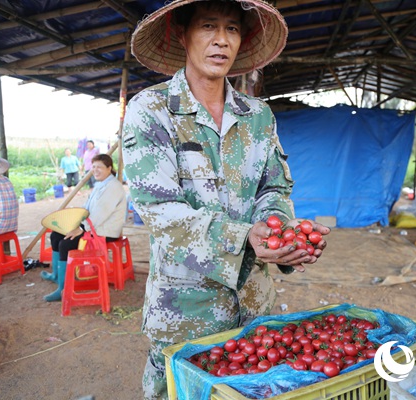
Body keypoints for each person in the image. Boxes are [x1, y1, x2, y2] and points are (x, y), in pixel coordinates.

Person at [122, 1, 330, 398]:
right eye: (208, 26)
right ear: (182, 34)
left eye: (232, 29)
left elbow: (275, 189)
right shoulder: (152, 110)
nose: (221, 40)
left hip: (255, 307)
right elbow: (160, 210)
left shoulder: (258, 116)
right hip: (185, 313)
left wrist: (281, 234)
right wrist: (245, 238)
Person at [41, 154, 126, 301]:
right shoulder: (101, 184)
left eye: (99, 167)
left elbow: (101, 213)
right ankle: (56, 275)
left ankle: (63, 289)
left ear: (109, 168)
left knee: (66, 243)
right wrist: (74, 221)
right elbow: (86, 209)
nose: (95, 170)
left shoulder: (113, 187)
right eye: (93, 167)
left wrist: (82, 228)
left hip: (105, 230)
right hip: (93, 225)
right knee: (57, 234)